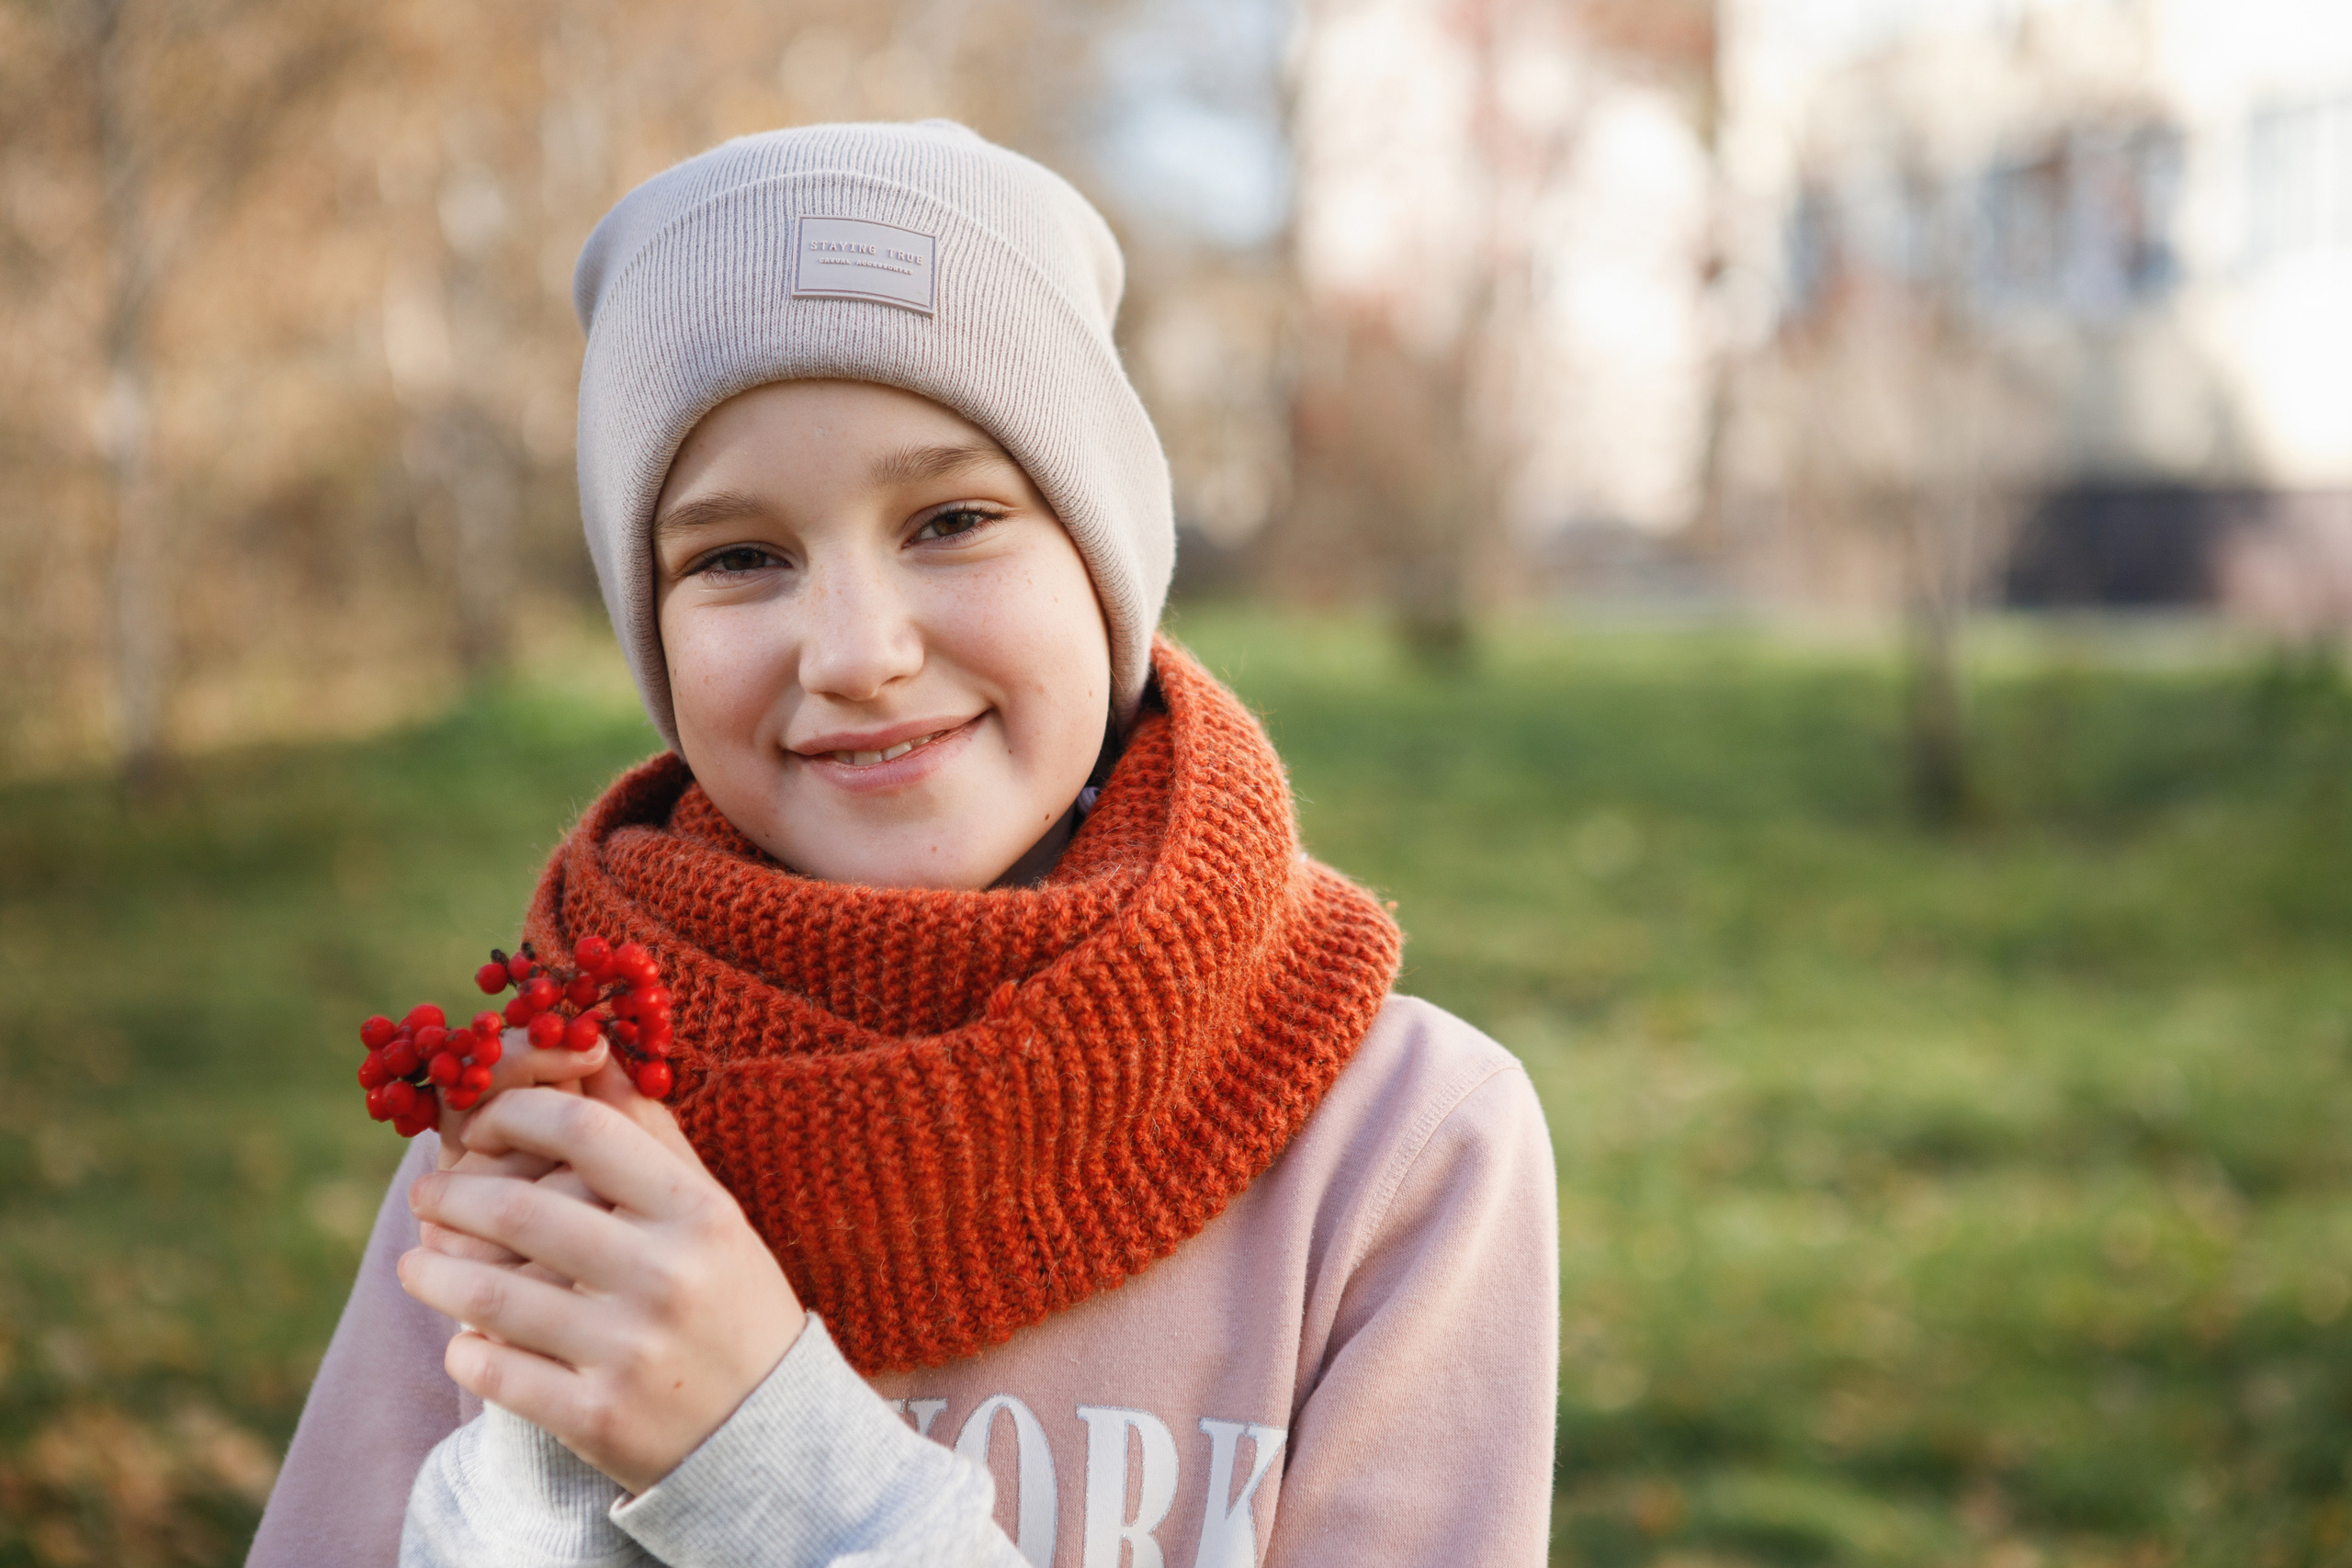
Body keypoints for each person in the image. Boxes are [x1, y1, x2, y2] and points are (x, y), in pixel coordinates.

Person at [246, 119, 1558, 1568]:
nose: (857, 652)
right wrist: (541, 1485)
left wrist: (767, 1474)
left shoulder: (1399, 1146)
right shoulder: (548, 1138)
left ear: (1106, 563)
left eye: (952, 520)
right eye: (739, 557)